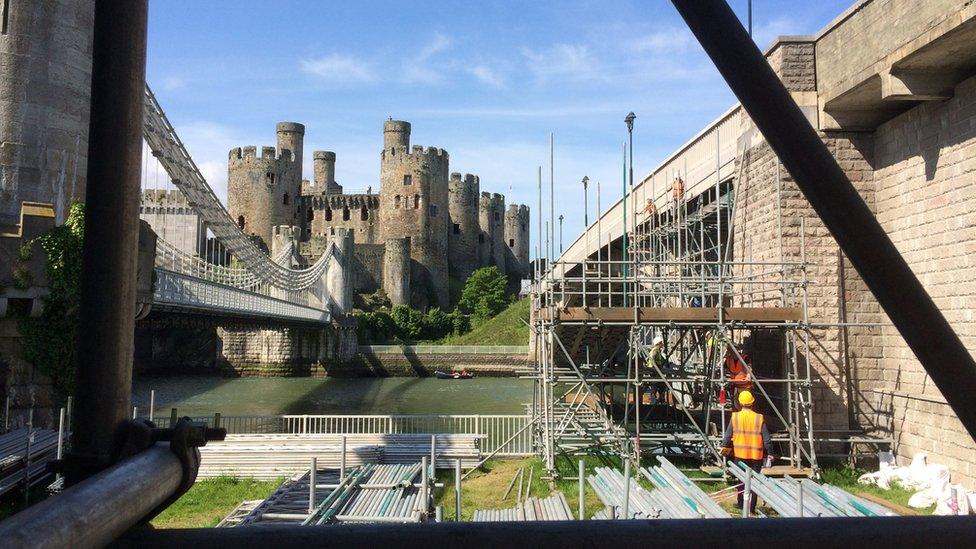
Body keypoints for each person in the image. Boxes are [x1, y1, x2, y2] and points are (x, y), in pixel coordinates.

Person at [721, 390, 774, 514]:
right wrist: (770, 453)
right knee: (753, 482)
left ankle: (741, 505)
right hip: (756, 456)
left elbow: (728, 436)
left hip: (740, 455)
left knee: (741, 480)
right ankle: (751, 508)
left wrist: (723, 447)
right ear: (752, 403)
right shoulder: (759, 418)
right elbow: (767, 439)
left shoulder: (735, 417)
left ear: (740, 402)